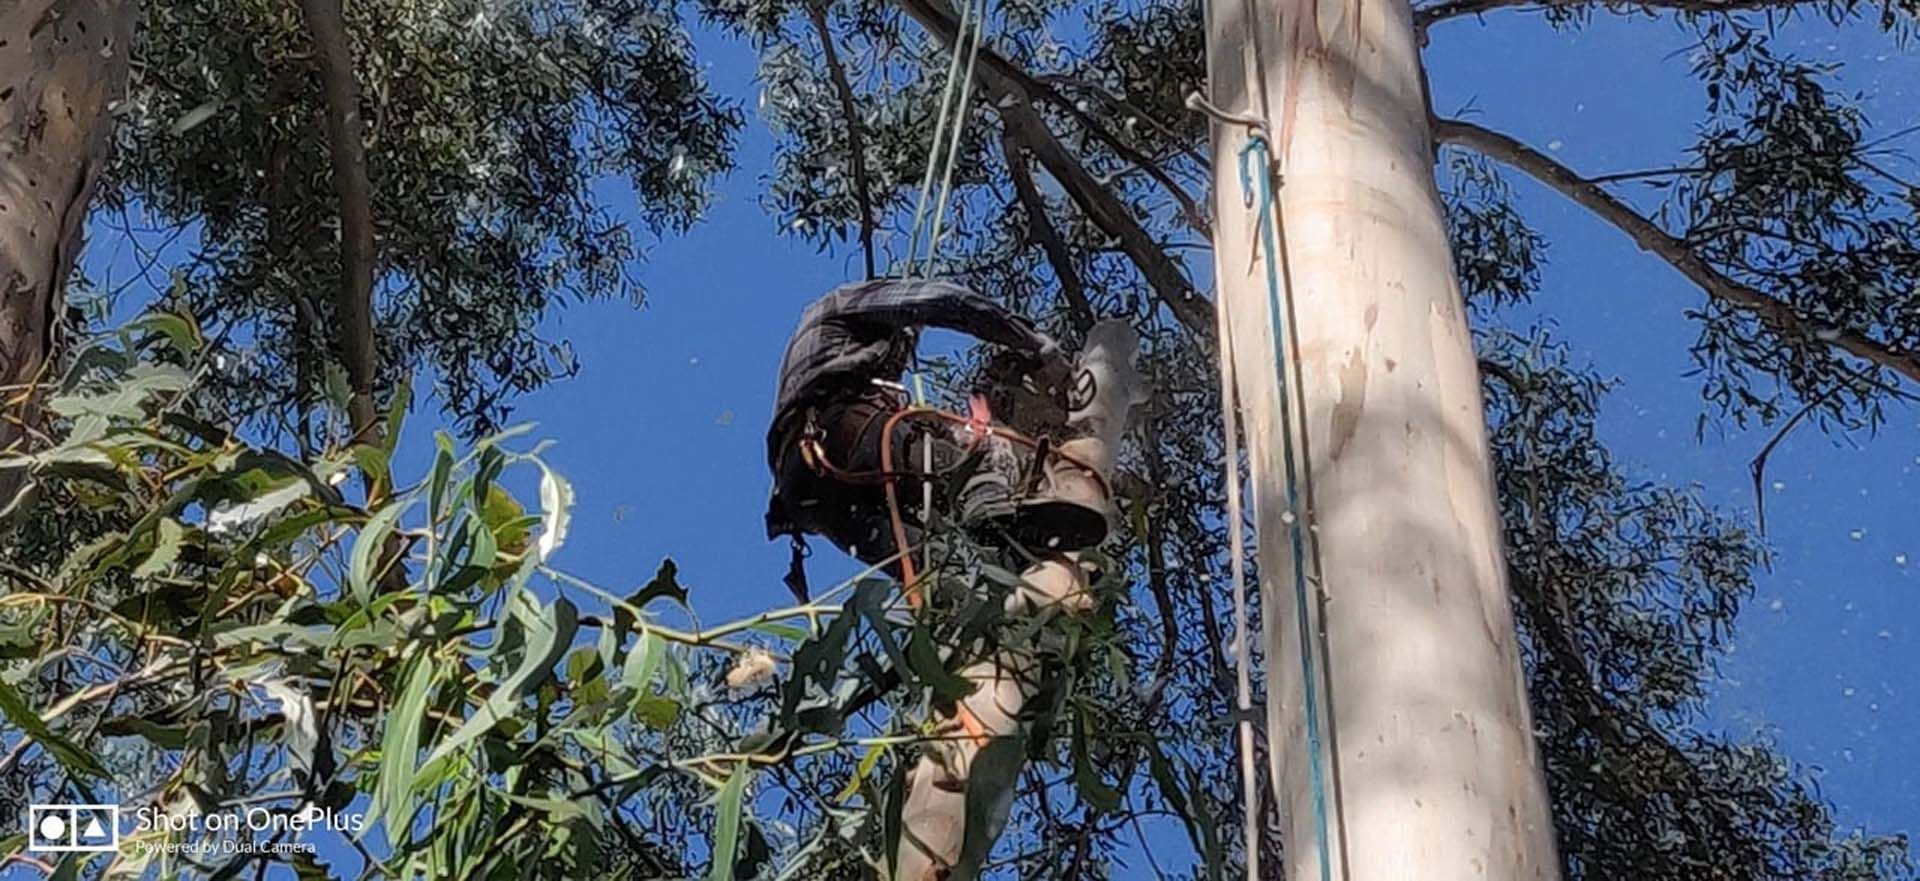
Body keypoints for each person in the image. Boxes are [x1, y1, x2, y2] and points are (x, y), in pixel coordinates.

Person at [764, 279, 1105, 600]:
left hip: (809, 493)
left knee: (941, 579)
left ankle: (996, 618)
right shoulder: (847, 302)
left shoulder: (827, 357)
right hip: (839, 435)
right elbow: (942, 301)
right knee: (982, 449)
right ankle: (995, 518)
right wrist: (1033, 343)